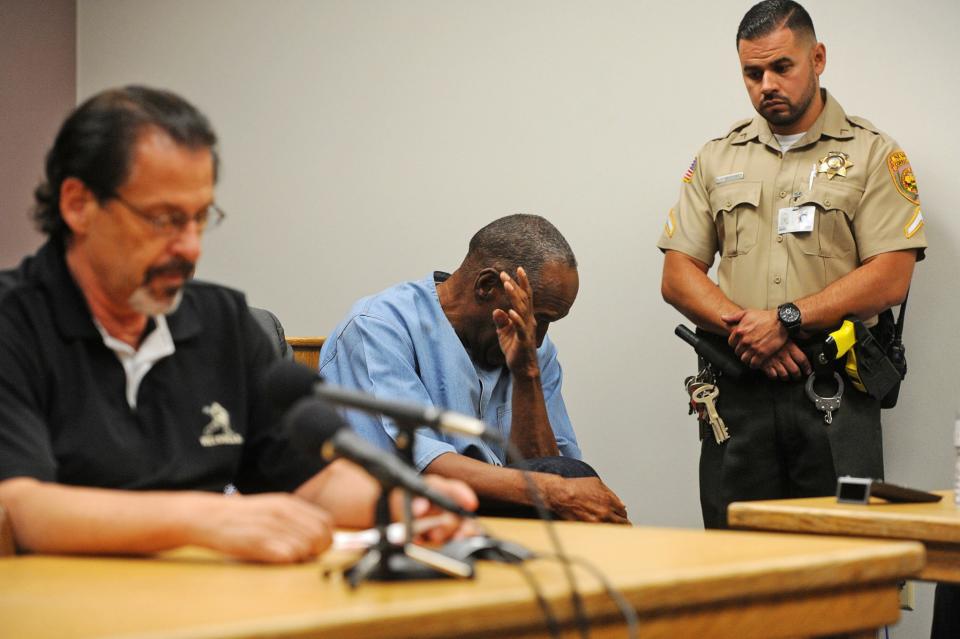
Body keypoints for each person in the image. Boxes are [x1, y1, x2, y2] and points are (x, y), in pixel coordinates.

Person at [0, 86, 476, 564]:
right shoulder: (13, 320)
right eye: (165, 219)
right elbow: (19, 506)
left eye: (201, 218)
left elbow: (315, 481)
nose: (190, 247)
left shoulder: (222, 323)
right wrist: (206, 518)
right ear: (78, 204)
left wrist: (399, 505)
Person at [657, 0, 927, 530]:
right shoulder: (718, 157)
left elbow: (892, 275)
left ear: (818, 57)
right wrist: (748, 332)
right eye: (752, 73)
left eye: (782, 67)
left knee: (846, 556)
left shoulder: (872, 154)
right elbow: (678, 273)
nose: (766, 85)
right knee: (738, 553)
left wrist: (785, 320)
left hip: (833, 386)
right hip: (738, 388)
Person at [319, 214, 628, 523]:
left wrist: (526, 376)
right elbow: (416, 466)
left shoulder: (533, 349)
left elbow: (550, 468)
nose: (539, 337)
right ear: (487, 285)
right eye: (539, 317)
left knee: (569, 476)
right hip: (408, 512)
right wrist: (552, 491)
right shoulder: (379, 327)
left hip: (501, 520)